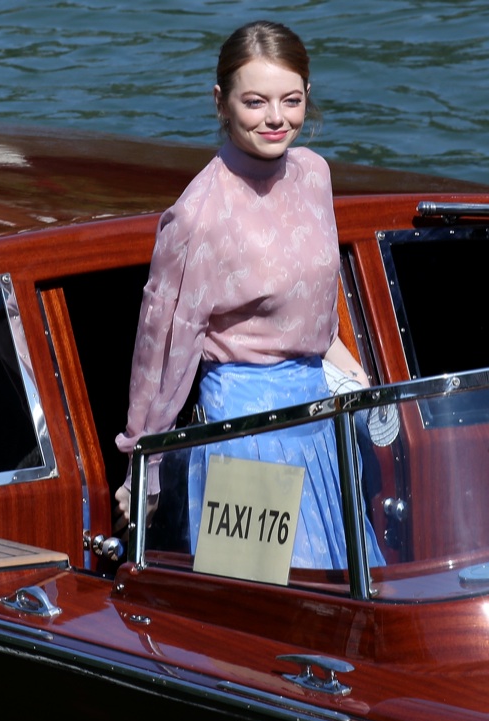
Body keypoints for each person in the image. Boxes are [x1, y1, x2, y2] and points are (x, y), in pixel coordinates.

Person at [113, 20, 385, 569]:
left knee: (346, 598)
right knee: (261, 606)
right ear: (221, 102)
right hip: (244, 431)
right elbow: (163, 351)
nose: (277, 118)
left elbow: (314, 308)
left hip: (320, 419)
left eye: (291, 99)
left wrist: (355, 377)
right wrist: (143, 465)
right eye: (256, 102)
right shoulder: (198, 215)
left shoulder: (314, 175)